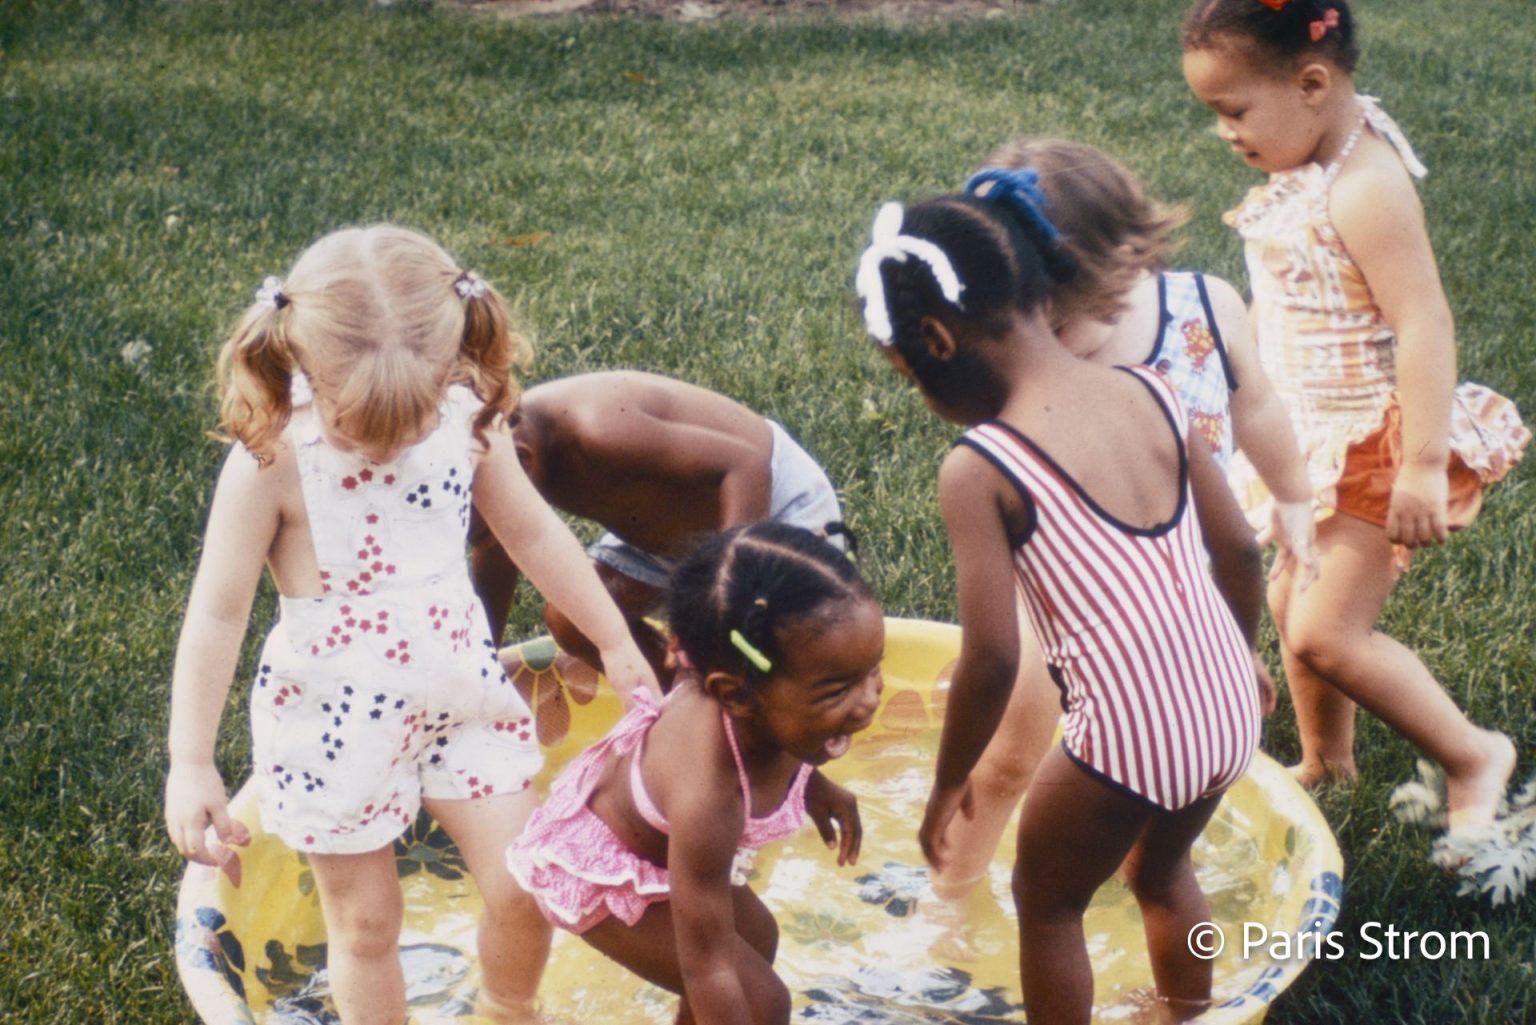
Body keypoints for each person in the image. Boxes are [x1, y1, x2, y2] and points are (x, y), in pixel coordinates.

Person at [163, 225, 660, 1025]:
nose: (395, 441)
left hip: (460, 695)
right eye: (366, 422)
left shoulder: (467, 420)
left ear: (451, 365)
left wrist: (612, 638)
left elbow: (535, 534)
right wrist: (190, 761)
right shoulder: (271, 461)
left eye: (415, 413)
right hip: (335, 727)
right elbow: (218, 612)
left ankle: (508, 1010)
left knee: (524, 881)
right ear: (305, 365)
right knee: (367, 923)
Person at [857, 193, 1267, 1022]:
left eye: (909, 375)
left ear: (936, 341)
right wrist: (1244, 653)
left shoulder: (982, 466)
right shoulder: (1153, 390)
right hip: (1228, 710)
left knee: (1046, 903)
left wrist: (948, 784)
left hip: (1128, 738)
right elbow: (1242, 551)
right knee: (1162, 871)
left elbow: (992, 661)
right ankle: (1188, 1011)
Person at [930, 141, 1316, 908]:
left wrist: (1295, 496)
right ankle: (949, 897)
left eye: (1057, 321)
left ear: (1119, 264)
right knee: (1011, 750)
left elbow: (1258, 406)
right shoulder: (1033, 361)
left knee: (1177, 752)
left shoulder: (1206, 309)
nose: (1039, 343)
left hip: (1184, 584)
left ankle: (1139, 865)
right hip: (1067, 592)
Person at [1182, 0, 1526, 819]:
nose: (1224, 132)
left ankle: (1474, 753)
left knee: (1324, 631)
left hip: (1374, 438)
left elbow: (1424, 321)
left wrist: (1422, 465)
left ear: (1311, 84)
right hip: (1311, 435)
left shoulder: (1366, 189)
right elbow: (1287, 296)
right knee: (1287, 602)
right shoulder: (1307, 162)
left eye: (1234, 110)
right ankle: (1328, 762)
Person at [507, 522, 880, 1025]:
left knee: (758, 939)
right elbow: (706, 968)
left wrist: (815, 785)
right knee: (760, 1002)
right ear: (733, 694)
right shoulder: (708, 793)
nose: (869, 700)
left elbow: (779, 732)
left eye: (874, 670)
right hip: (601, 872)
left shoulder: (754, 691)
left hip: (664, 848)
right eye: (837, 690)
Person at [468, 370, 846, 681]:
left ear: (522, 461)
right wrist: (476, 671)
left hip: (772, 506)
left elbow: (747, 466)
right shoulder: (502, 456)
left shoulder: (599, 429)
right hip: (672, 542)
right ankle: (683, 712)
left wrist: (721, 598)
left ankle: (736, 708)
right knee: (573, 619)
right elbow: (496, 551)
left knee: (766, 655)